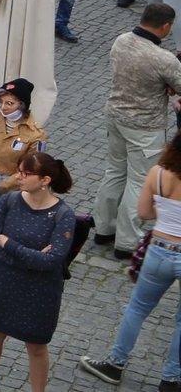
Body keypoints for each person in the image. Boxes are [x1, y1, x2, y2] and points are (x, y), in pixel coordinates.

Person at [82, 132, 181, 388]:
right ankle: (171, 378)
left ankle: (115, 363)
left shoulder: (158, 173)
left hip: (159, 249)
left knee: (137, 308)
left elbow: (145, 212)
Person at [0, 152, 77, 392]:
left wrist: (9, 245)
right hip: (2, 282)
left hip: (38, 291)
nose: (18, 177)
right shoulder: (9, 201)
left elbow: (51, 261)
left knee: (36, 346)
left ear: (45, 180)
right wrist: (32, 256)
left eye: (25, 173)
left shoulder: (63, 215)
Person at [91, 3, 181, 252]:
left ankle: (103, 228)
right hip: (145, 126)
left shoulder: (120, 41)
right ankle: (127, 241)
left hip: (116, 116)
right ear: (165, 26)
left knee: (115, 172)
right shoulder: (163, 58)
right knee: (139, 180)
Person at [0, 78, 47, 225]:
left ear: (22, 105)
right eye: (1, 102)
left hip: (17, 186)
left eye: (10, 103)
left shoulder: (35, 134)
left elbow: (30, 169)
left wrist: (1, 186)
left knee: (11, 227)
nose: (3, 107)